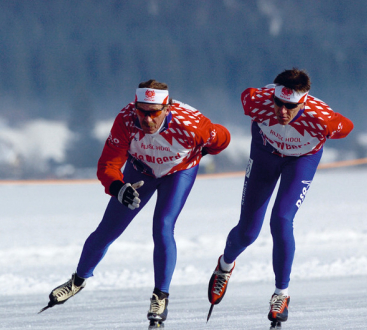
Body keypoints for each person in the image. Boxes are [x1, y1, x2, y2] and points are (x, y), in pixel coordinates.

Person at [41, 79, 230, 327]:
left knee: (162, 226)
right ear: (135, 106)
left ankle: (160, 296)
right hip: (140, 173)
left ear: (167, 108)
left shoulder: (193, 125)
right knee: (107, 231)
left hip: (178, 173)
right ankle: (77, 281)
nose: (147, 120)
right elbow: (108, 164)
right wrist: (118, 188)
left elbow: (222, 139)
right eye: (142, 112)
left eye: (154, 113)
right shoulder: (126, 119)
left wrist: (202, 150)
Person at [207, 68, 353, 326]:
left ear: (303, 102)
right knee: (248, 232)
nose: (282, 111)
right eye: (279, 103)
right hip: (265, 155)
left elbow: (347, 126)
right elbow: (245, 95)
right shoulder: (257, 100)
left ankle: (281, 294)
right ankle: (225, 265)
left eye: (290, 106)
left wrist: (330, 129)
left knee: (281, 220)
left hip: (301, 160)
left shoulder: (321, 117)